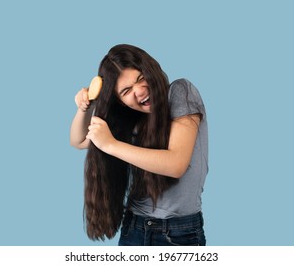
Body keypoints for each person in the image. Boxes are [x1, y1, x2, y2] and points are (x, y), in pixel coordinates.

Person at [70, 44, 208, 246]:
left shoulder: (180, 92)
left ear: (150, 69)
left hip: (179, 234)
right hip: (134, 228)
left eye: (141, 78)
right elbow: (79, 140)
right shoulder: (130, 119)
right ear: (121, 101)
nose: (140, 91)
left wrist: (111, 144)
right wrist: (84, 108)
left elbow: (176, 164)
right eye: (126, 91)